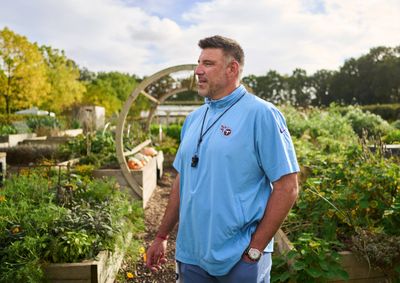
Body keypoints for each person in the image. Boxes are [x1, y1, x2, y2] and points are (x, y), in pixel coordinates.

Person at [146, 35, 299, 283]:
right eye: (198, 63)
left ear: (232, 69)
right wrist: (161, 236)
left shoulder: (261, 114)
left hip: (240, 258)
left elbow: (287, 187)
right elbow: (182, 182)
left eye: (208, 63)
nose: (198, 70)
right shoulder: (194, 119)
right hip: (191, 256)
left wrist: (255, 249)